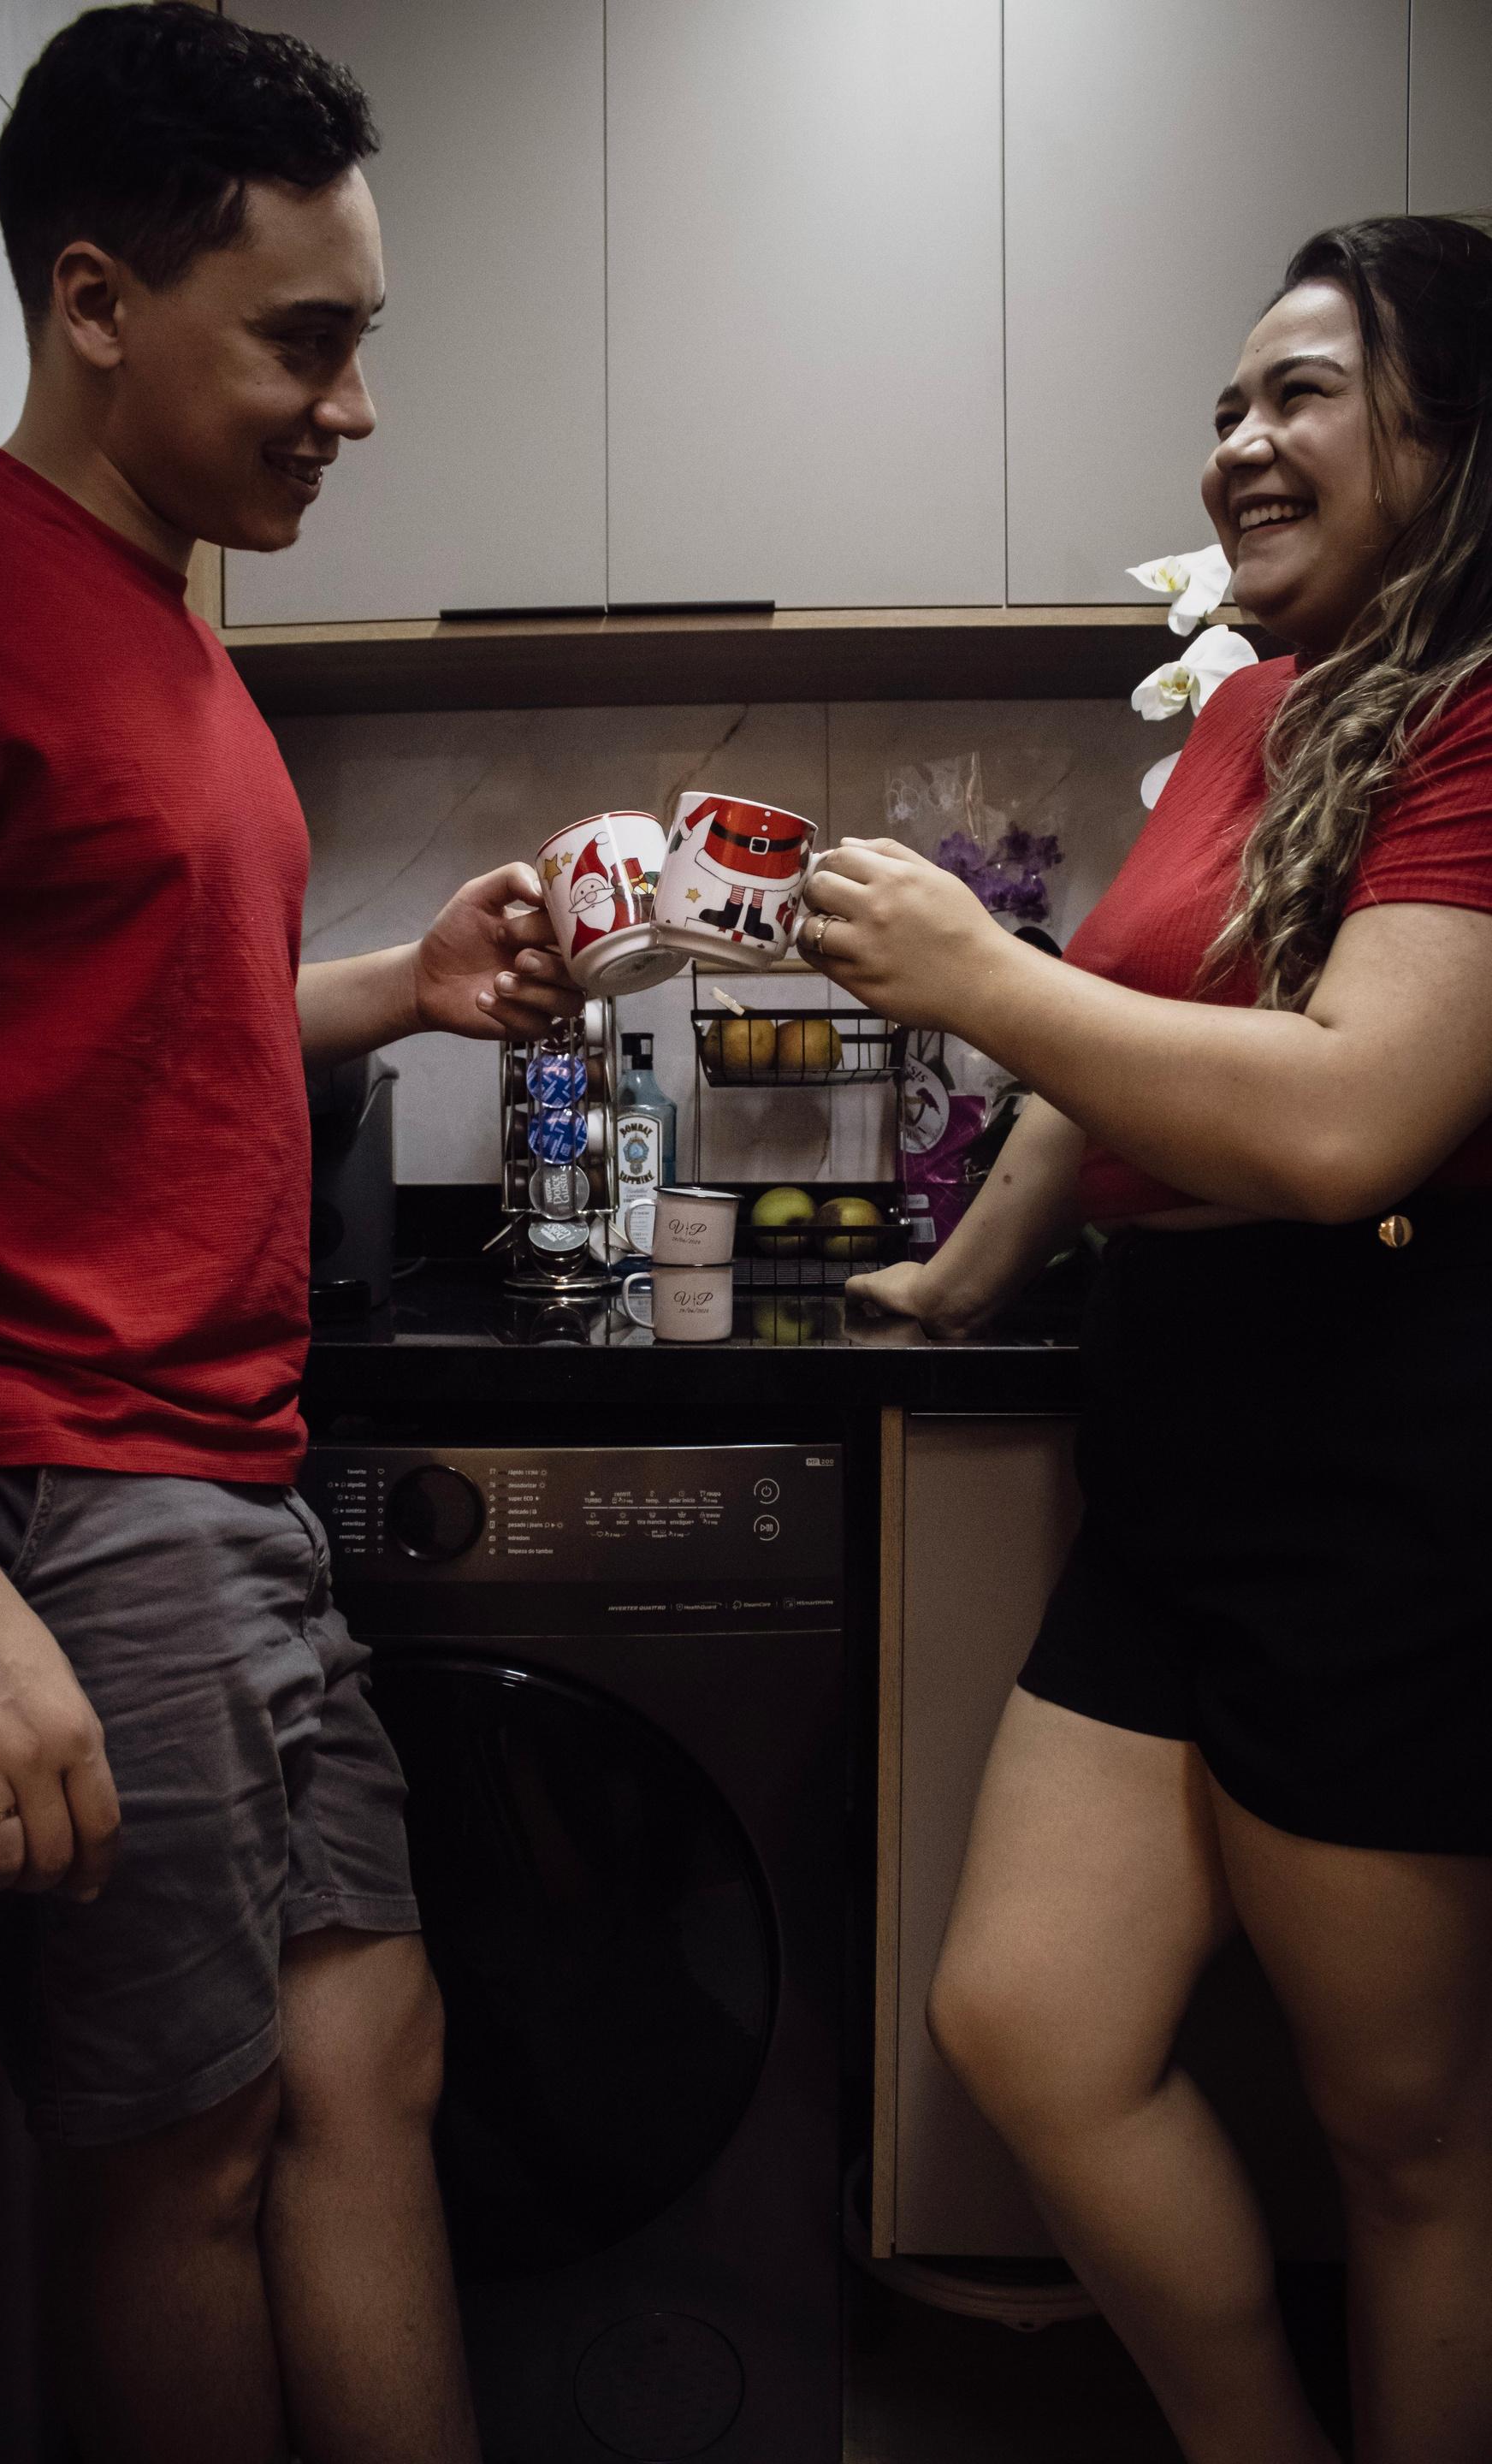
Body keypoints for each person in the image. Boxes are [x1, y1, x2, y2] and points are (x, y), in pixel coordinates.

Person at [0, 10, 577, 2461]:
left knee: (376, 2059)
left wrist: (401, 983)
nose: (353, 406)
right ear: (94, 301)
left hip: (225, 1482)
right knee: (185, 2162)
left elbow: (116, 1010)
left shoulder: (172, 620)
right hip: (65, 1494)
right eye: (304, 339)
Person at [802, 214, 1492, 2464]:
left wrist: (977, 973)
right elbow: (1108, 1044)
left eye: (1301, 393)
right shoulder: (1258, 708)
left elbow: (1352, 1119)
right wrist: (957, 1283)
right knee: (1028, 2020)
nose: (1238, 445)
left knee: (1405, 2138)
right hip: (1180, 1428)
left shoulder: (1479, 709)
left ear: (1454, 431)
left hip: (1382, 1445)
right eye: (1224, 406)